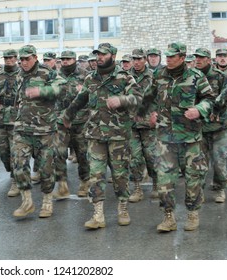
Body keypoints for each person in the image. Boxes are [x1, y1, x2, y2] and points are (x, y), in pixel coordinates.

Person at [63, 42, 142, 229]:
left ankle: (123, 207)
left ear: (113, 57)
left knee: (120, 174)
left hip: (118, 135)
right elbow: (80, 99)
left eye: (103, 55)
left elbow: (138, 98)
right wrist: (68, 115)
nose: (99, 57)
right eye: (97, 54)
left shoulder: (125, 78)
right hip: (95, 134)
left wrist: (121, 100)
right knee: (96, 174)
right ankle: (98, 214)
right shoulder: (91, 79)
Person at [141, 42, 216, 232]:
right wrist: (150, 114)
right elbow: (148, 97)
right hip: (165, 138)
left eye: (172, 57)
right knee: (164, 179)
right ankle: (169, 217)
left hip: (190, 138)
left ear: (182, 58)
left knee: (193, 179)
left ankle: (192, 213)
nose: (168, 59)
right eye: (167, 56)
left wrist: (199, 110)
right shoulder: (159, 75)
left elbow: (210, 99)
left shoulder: (196, 77)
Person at [12, 44, 66, 218]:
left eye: (27, 59)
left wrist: (41, 91)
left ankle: (47, 201)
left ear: (35, 57)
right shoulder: (19, 75)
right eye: (21, 59)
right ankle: (27, 201)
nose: (24, 62)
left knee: (45, 169)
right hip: (22, 129)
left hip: (44, 130)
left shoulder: (46, 72)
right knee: (19, 165)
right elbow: (18, 100)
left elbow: (63, 89)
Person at [194, 47, 227, 203]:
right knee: (198, 164)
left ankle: (220, 188)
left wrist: (223, 118)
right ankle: (198, 191)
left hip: (218, 128)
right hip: (199, 129)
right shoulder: (191, 77)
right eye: (197, 57)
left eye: (202, 58)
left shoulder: (220, 77)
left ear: (209, 60)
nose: (198, 60)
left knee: (220, 162)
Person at [54, 50, 90, 199]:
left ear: (74, 59)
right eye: (63, 59)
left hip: (80, 120)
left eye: (68, 59)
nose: (65, 62)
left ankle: (85, 181)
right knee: (58, 152)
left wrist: (85, 91)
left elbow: (93, 94)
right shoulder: (55, 75)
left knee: (82, 153)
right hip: (61, 120)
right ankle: (62, 185)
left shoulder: (85, 74)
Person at [127, 48, 158, 202]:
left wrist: (156, 114)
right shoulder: (126, 76)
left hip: (149, 124)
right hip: (131, 123)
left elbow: (160, 97)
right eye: (134, 59)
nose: (137, 62)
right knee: (134, 157)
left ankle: (156, 184)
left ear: (145, 60)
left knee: (151, 156)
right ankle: (137, 188)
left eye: (139, 59)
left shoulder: (153, 76)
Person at [0, 49, 21, 196]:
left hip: (16, 118)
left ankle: (15, 180)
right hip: (2, 118)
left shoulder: (22, 74)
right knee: (3, 152)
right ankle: (12, 171)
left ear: (16, 58)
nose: (8, 60)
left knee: (15, 151)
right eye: (6, 58)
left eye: (11, 58)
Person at [214, 48, 227, 187]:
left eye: (224, 56)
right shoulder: (212, 73)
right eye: (219, 56)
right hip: (218, 116)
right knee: (220, 150)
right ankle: (219, 178)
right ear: (216, 58)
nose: (222, 58)